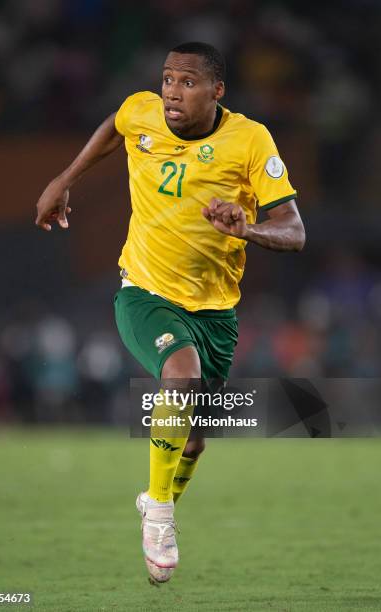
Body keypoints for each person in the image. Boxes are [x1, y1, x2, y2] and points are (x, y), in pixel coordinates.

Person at [35, 41, 305, 584]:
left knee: (197, 437)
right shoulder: (143, 110)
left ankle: (158, 497)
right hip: (145, 290)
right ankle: (159, 514)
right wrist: (65, 180)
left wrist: (246, 229)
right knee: (180, 379)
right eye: (167, 79)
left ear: (217, 90)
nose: (171, 92)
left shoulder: (250, 141)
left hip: (215, 310)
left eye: (187, 82)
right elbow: (115, 125)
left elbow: (294, 231)